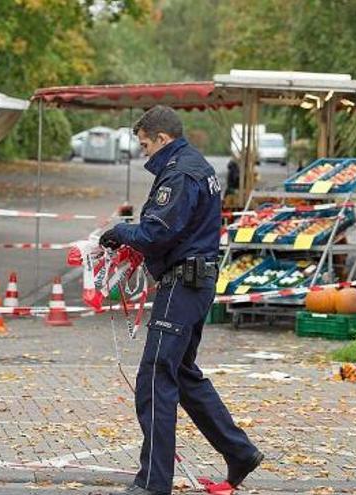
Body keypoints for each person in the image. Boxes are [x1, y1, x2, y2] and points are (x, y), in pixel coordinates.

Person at [99, 106, 262, 495]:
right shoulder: (196, 166)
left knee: (155, 378)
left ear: (161, 139)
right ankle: (239, 452)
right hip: (194, 282)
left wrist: (120, 232)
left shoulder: (180, 173)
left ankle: (154, 484)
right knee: (183, 374)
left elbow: (157, 232)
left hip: (183, 284)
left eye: (144, 145)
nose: (143, 154)